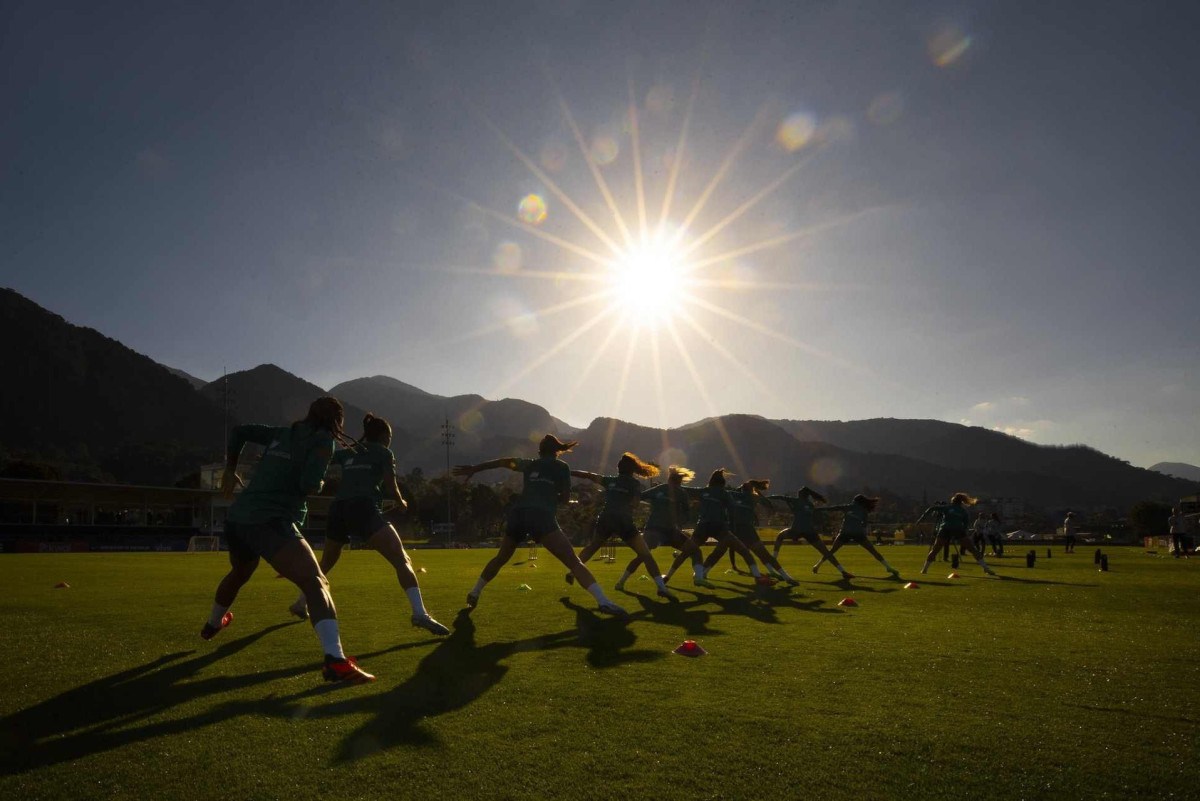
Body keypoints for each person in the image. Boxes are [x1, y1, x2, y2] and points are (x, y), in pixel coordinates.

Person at [204, 397, 374, 684]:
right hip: (271, 521)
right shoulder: (323, 441)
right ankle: (335, 661)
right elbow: (309, 483)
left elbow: (240, 431)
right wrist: (320, 479)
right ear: (337, 422)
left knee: (240, 571)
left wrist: (231, 468)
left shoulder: (282, 433)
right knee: (316, 582)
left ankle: (212, 623)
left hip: (238, 519)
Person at [287, 413, 449, 635]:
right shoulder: (384, 452)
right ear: (383, 435)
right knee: (402, 560)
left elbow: (324, 457)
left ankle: (300, 603)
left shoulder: (348, 453)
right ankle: (420, 614)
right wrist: (401, 501)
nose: (390, 439)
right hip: (363, 508)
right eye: (389, 435)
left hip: (338, 510)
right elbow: (391, 485)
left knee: (326, 562)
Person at [452, 435, 627, 617]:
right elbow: (565, 499)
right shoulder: (562, 467)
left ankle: (475, 592)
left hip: (519, 515)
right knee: (574, 562)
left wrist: (475, 468)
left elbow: (503, 462)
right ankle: (603, 601)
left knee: (501, 558)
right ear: (557, 451)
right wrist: (552, 495)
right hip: (541, 516)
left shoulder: (529, 464)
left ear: (539, 451)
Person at [568, 452, 675, 599]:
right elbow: (636, 503)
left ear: (619, 469)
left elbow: (588, 475)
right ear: (633, 469)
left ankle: (573, 571)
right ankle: (661, 588)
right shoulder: (634, 484)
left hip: (606, 518)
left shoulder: (609, 480)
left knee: (592, 547)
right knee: (645, 554)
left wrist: (568, 471)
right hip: (623, 521)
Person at [665, 468, 773, 587]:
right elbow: (732, 511)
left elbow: (685, 490)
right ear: (722, 483)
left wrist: (670, 484)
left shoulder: (704, 491)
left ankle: (668, 576)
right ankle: (758, 577)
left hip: (703, 526)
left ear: (711, 481)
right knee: (745, 552)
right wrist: (733, 527)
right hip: (719, 527)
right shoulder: (724, 493)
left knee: (686, 552)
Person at [700, 479, 801, 584]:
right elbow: (767, 502)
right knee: (764, 555)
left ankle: (702, 573)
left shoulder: (735, 495)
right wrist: (757, 491)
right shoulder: (753, 498)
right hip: (746, 530)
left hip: (734, 529)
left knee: (718, 552)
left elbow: (726, 493)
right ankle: (786, 577)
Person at [616, 465, 703, 587]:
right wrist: (680, 522)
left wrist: (626, 500)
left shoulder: (665, 490)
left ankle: (621, 582)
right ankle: (698, 577)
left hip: (658, 529)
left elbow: (640, 496)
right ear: (679, 482)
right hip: (666, 530)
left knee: (642, 556)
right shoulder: (680, 493)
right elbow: (687, 515)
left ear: (669, 479)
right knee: (695, 551)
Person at [768, 487, 853, 580]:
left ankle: (773, 561)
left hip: (797, 529)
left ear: (800, 495)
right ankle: (843, 571)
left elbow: (780, 497)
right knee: (825, 552)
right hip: (809, 531)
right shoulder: (810, 505)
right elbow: (800, 513)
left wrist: (768, 497)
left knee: (780, 536)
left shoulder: (796, 500)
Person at [813, 494, 901, 578]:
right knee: (873, 551)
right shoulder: (863, 510)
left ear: (855, 501)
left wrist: (817, 509)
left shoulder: (848, 507)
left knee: (831, 551)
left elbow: (832, 508)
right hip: (858, 533)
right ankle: (888, 567)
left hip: (844, 533)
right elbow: (864, 524)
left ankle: (817, 565)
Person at [917, 493, 997, 576]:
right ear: (961, 502)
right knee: (973, 549)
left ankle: (924, 569)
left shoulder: (947, 508)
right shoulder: (963, 511)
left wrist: (921, 518)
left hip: (945, 529)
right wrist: (964, 535)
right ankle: (986, 568)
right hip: (958, 530)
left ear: (953, 501)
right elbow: (965, 524)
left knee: (935, 550)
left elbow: (932, 508)